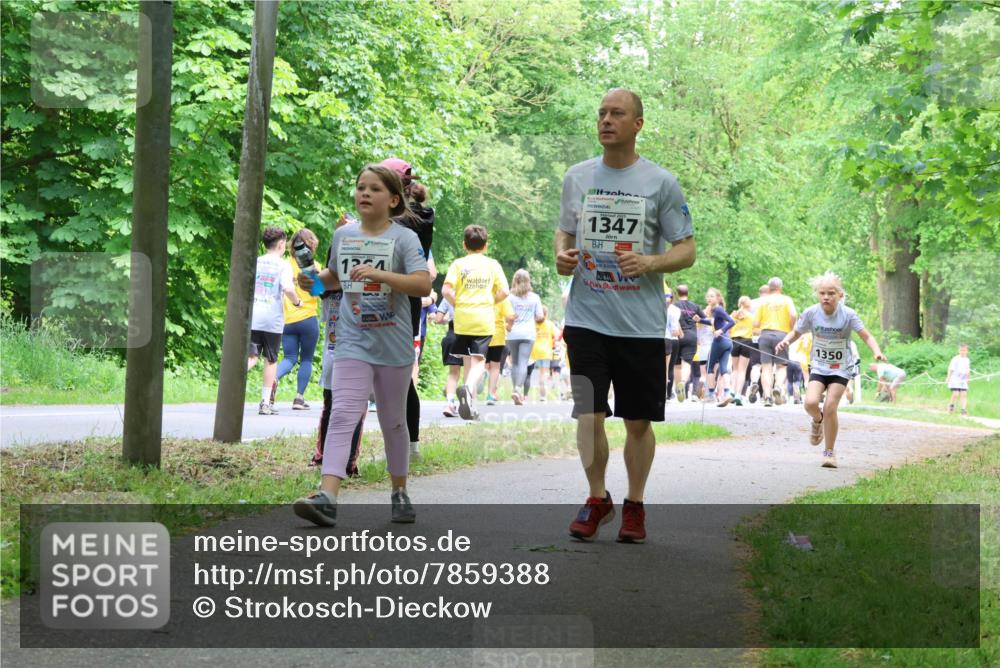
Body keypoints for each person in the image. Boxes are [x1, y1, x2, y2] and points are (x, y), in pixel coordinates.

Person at [555, 88, 695, 543]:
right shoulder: (577, 178)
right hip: (586, 318)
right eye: (601, 113)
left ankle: (634, 504)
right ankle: (597, 498)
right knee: (589, 414)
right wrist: (562, 255)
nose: (606, 120)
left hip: (639, 324)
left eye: (617, 113)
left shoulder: (661, 183)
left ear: (638, 124)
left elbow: (686, 249)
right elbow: (564, 232)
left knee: (637, 422)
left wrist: (651, 263)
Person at [293, 165, 431, 527]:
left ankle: (399, 492)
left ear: (394, 200)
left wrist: (379, 274)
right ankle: (327, 497)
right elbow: (334, 279)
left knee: (393, 422)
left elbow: (422, 285)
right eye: (360, 188)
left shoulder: (404, 239)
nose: (364, 194)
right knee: (342, 413)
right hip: (353, 341)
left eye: (374, 189)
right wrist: (312, 283)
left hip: (393, 343)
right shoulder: (344, 235)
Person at [776, 271, 885, 469]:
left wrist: (877, 352)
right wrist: (785, 341)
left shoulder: (848, 315)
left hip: (841, 368)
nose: (826, 297)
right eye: (822, 293)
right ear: (818, 294)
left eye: (831, 293)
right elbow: (796, 332)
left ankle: (829, 452)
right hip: (819, 366)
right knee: (810, 403)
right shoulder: (811, 312)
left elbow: (866, 336)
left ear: (840, 295)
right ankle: (817, 421)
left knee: (830, 407)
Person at [381, 158, 435, 462]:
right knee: (395, 375)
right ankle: (406, 445)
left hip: (402, 299)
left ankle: (407, 446)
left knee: (399, 374)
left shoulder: (411, 219)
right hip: (392, 299)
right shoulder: (409, 216)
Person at [311, 215, 365, 473]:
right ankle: (347, 462)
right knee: (353, 406)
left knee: (332, 404)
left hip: (334, 354)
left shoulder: (326, 287)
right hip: (356, 353)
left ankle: (323, 456)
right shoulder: (361, 282)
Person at [442, 225, 510, 420]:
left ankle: (469, 405)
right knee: (479, 360)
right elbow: (505, 291)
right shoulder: (493, 265)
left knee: (466, 358)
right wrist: (491, 301)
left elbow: (446, 290)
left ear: (464, 245)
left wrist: (458, 304)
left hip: (462, 318)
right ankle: (469, 389)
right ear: (486, 245)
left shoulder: (457, 264)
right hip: (483, 317)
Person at [248, 226, 301, 415]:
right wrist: (297, 302)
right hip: (272, 320)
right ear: (280, 244)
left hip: (253, 316)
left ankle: (233, 379)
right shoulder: (283, 265)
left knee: (251, 357)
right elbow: (287, 289)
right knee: (270, 359)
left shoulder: (255, 262)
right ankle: (264, 403)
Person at [275, 228, 321, 410]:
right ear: (311, 245)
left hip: (288, 320)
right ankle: (299, 398)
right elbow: (319, 293)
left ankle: (273, 380)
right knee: (307, 359)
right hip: (309, 318)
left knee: (289, 357)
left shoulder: (284, 264)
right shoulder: (315, 267)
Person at [754, 277, 797, 406]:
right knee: (781, 366)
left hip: (765, 334)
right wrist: (791, 328)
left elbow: (755, 323)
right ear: (780, 287)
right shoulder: (786, 300)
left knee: (766, 367)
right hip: (782, 335)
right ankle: (778, 386)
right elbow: (794, 315)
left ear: (769, 287)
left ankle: (767, 396)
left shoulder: (763, 301)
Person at [506, 269, 545, 406]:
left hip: (512, 334)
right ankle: (517, 389)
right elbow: (540, 317)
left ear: (515, 280)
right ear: (528, 281)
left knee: (515, 363)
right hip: (528, 334)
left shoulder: (510, 298)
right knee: (523, 362)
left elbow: (507, 316)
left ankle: (515, 390)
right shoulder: (535, 298)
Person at [672, 284, 707, 403]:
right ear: (687, 293)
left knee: (677, 365)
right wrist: (699, 320)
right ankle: (683, 382)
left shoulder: (674, 306)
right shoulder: (695, 306)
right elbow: (706, 320)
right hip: (691, 337)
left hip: (677, 336)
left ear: (677, 294)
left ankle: (678, 392)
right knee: (686, 363)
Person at [704, 288, 735, 407]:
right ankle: (727, 393)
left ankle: (711, 395)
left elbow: (732, 322)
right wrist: (700, 320)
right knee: (723, 369)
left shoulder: (717, 309)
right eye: (708, 296)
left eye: (711, 296)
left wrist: (721, 331)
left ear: (717, 298)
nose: (709, 298)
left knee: (710, 367)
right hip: (728, 343)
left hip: (720, 341)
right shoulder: (717, 311)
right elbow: (712, 322)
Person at [433, 297, 463, 417]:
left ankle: (450, 403)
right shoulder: (473, 292)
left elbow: (438, 319)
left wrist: (447, 318)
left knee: (453, 373)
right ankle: (468, 403)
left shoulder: (448, 296)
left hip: (451, 336)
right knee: (469, 371)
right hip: (468, 334)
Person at [486, 295, 515, 405]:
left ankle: (471, 395)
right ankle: (490, 394)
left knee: (479, 363)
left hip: (480, 332)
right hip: (497, 335)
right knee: (495, 366)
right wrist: (509, 327)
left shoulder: (482, 293)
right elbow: (511, 317)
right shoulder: (502, 298)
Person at [728, 296, 755, 406]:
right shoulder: (751, 316)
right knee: (742, 370)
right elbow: (756, 330)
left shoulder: (733, 315)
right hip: (747, 341)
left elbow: (728, 329)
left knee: (735, 369)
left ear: (739, 304)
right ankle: (739, 394)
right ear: (749, 305)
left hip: (735, 341)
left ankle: (733, 391)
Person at [530, 306, 558, 401]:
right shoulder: (549, 324)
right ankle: (543, 395)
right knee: (544, 374)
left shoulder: (533, 324)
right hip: (546, 352)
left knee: (540, 373)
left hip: (536, 352)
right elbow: (557, 335)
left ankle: (542, 394)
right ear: (546, 314)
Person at [664, 290, 682, 401]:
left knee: (661, 367)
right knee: (668, 368)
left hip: (655, 338)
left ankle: (663, 393)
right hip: (669, 339)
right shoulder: (675, 310)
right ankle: (667, 394)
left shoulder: (653, 307)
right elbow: (675, 331)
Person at [947, 344, 971, 416]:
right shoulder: (955, 359)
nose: (962, 352)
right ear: (959, 351)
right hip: (955, 379)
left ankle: (963, 410)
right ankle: (951, 405)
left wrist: (968, 378)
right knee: (956, 394)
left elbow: (968, 370)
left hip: (963, 380)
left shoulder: (967, 360)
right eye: (961, 350)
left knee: (964, 394)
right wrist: (948, 378)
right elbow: (950, 369)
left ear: (967, 351)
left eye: (964, 350)